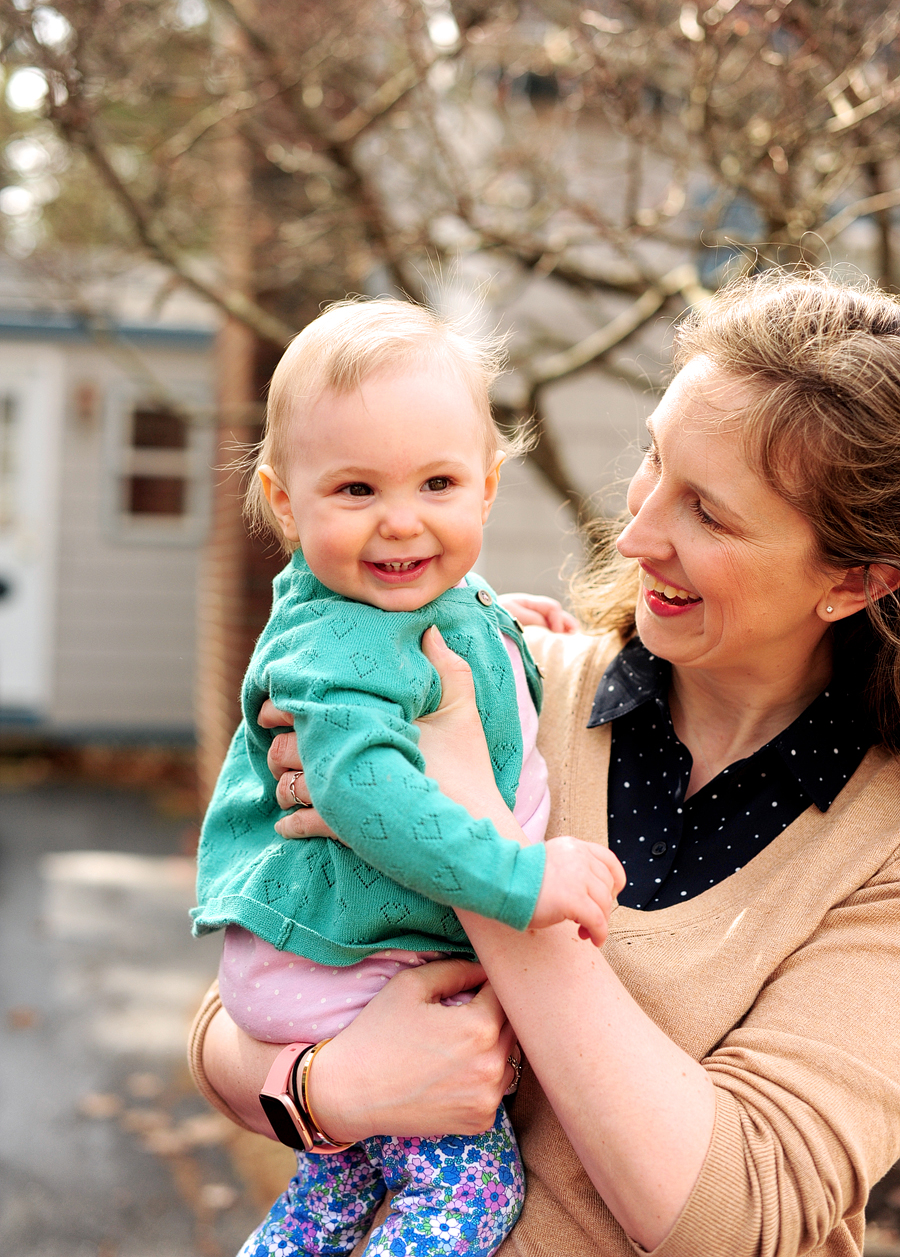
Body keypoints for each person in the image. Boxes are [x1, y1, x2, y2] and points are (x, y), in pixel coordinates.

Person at [191, 271, 900, 1257]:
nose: (638, 529)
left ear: (855, 579)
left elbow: (741, 1221)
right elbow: (246, 1005)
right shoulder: (496, 684)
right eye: (653, 462)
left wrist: (477, 840)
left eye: (710, 513)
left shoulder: (883, 846)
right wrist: (330, 1089)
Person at [190, 297, 619, 1257]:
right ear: (284, 500)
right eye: (355, 490)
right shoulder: (339, 644)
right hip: (354, 970)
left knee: (330, 1196)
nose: (401, 522)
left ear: (487, 487)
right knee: (463, 1197)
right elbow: (364, 794)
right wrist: (522, 878)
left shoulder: (410, 598)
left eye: (436, 482)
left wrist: (501, 624)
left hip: (332, 961)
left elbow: (431, 633)